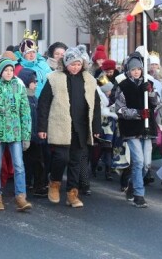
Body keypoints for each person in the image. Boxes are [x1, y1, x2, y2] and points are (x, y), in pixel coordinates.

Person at [37, 47, 101, 208]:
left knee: (76, 161)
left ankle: (72, 193)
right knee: (61, 157)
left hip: (81, 126)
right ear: (66, 64)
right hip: (60, 125)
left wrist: (96, 127)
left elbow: (96, 105)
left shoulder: (89, 80)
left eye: (78, 64)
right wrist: (42, 127)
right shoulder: (54, 78)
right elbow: (43, 104)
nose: (75, 67)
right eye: (72, 64)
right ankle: (55, 183)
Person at [0, 59, 32, 211]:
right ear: (0, 72)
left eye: (11, 70)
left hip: (15, 133)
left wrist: (26, 135)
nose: (9, 73)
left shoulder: (19, 88)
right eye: (6, 70)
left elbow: (25, 113)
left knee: (19, 166)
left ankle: (21, 196)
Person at [115, 51, 159, 208]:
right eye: (133, 69)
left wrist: (150, 91)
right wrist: (138, 113)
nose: (136, 72)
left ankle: (133, 184)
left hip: (147, 129)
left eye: (139, 69)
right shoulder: (123, 86)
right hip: (132, 129)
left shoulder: (147, 84)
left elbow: (156, 102)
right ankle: (139, 194)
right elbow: (120, 110)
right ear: (128, 70)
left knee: (146, 163)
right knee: (138, 161)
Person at [17, 68, 46, 197]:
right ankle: (35, 184)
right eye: (33, 81)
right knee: (31, 161)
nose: (36, 84)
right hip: (27, 135)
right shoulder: (23, 97)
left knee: (36, 161)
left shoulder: (34, 97)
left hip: (35, 136)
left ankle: (35, 183)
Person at [13, 31, 52, 97]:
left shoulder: (43, 64)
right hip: (29, 102)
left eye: (33, 52)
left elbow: (52, 80)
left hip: (45, 102)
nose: (31, 55)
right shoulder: (19, 67)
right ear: (23, 54)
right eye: (28, 53)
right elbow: (14, 88)